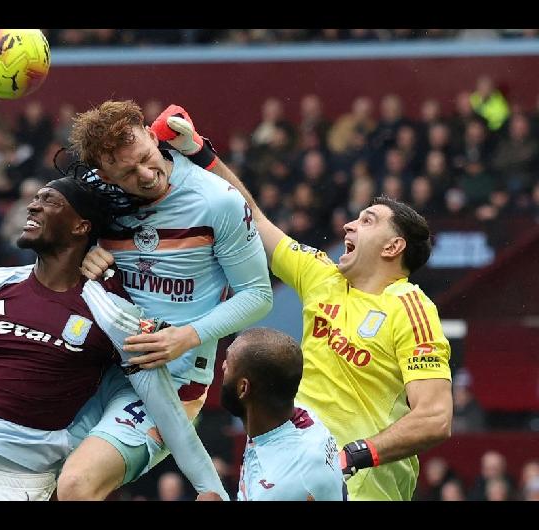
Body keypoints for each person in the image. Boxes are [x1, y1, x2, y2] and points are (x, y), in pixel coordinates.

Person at [150, 104, 453, 501]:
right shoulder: (322, 275)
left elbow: (435, 418)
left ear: (394, 246)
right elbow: (252, 220)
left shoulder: (410, 307)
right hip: (287, 473)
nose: (348, 224)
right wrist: (200, 154)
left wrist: (354, 455)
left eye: (368, 221)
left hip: (362, 489)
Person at [0, 174, 224, 501]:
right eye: (35, 198)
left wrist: (209, 486)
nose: (32, 206)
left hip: (16, 485)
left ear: (81, 225)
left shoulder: (110, 311)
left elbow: (165, 408)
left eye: (49, 200)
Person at [59, 100, 273, 500]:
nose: (145, 175)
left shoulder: (217, 201)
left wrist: (185, 336)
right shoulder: (94, 200)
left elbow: (258, 297)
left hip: (171, 381)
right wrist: (81, 260)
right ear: (103, 174)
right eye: (127, 172)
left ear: (152, 136)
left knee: (76, 486)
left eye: (145, 157)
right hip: (95, 368)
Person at [219, 328, 345, 501]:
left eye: (229, 363)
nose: (223, 366)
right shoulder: (276, 417)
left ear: (243, 388)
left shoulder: (280, 485)